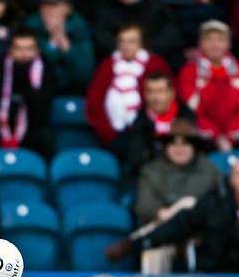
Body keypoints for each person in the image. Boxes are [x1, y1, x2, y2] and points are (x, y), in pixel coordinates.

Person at [107, 159, 239, 273]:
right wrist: (137, 244)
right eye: (238, 175)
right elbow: (178, 226)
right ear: (231, 178)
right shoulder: (216, 203)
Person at [132, 118, 220, 273]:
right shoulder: (152, 170)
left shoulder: (209, 171)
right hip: (161, 230)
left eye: (185, 144)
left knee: (189, 204)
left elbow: (219, 204)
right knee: (154, 248)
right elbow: (143, 205)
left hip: (198, 234)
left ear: (194, 146)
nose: (179, 149)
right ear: (166, 146)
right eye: (174, 144)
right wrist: (160, 212)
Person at [86, 24, 173, 145]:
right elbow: (94, 102)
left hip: (146, 133)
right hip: (112, 134)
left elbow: (166, 98)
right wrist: (108, 134)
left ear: (141, 43)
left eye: (132, 41)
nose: (126, 46)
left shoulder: (155, 64)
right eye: (122, 41)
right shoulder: (107, 65)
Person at [0, 28, 54, 160]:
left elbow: (42, 109)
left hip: (32, 130)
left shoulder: (46, 71)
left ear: (37, 50)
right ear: (10, 50)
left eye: (29, 48)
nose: (24, 54)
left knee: (45, 139)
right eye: (18, 48)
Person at [114, 71, 196, 179]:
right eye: (150, 92)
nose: (155, 97)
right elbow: (136, 159)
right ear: (145, 95)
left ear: (171, 93)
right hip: (152, 180)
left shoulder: (188, 118)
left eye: (160, 91)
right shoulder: (139, 124)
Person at [178, 19, 239, 151]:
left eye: (220, 39)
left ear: (228, 44)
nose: (214, 44)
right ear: (200, 43)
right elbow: (192, 110)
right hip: (204, 139)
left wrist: (229, 136)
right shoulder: (188, 72)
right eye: (209, 39)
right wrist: (217, 137)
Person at [23, 0, 95, 94]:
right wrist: (51, 46)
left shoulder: (80, 31)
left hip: (73, 93)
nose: (48, 9)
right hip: (35, 93)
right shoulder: (30, 29)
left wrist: (65, 45)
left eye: (54, 5)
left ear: (68, 9)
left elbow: (85, 75)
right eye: (44, 4)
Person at [91, 0, 183, 71]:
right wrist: (125, 50)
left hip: (153, 64)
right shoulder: (104, 9)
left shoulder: (157, 8)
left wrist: (142, 52)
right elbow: (101, 38)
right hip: (116, 64)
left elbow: (171, 37)